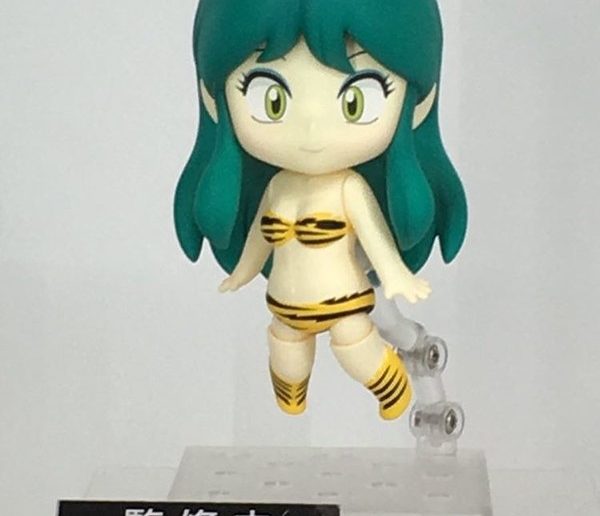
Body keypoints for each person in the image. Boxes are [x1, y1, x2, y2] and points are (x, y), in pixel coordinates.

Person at [174, 0, 467, 420]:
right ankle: (291, 393)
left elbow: (374, 237)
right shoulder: (277, 187)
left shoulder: (348, 189)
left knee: (355, 347)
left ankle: (391, 390)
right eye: (271, 99)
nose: (312, 129)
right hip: (286, 303)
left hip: (345, 300)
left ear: (418, 102)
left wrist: (395, 275)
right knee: (285, 350)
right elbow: (258, 236)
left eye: (355, 101)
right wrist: (243, 271)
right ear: (214, 97)